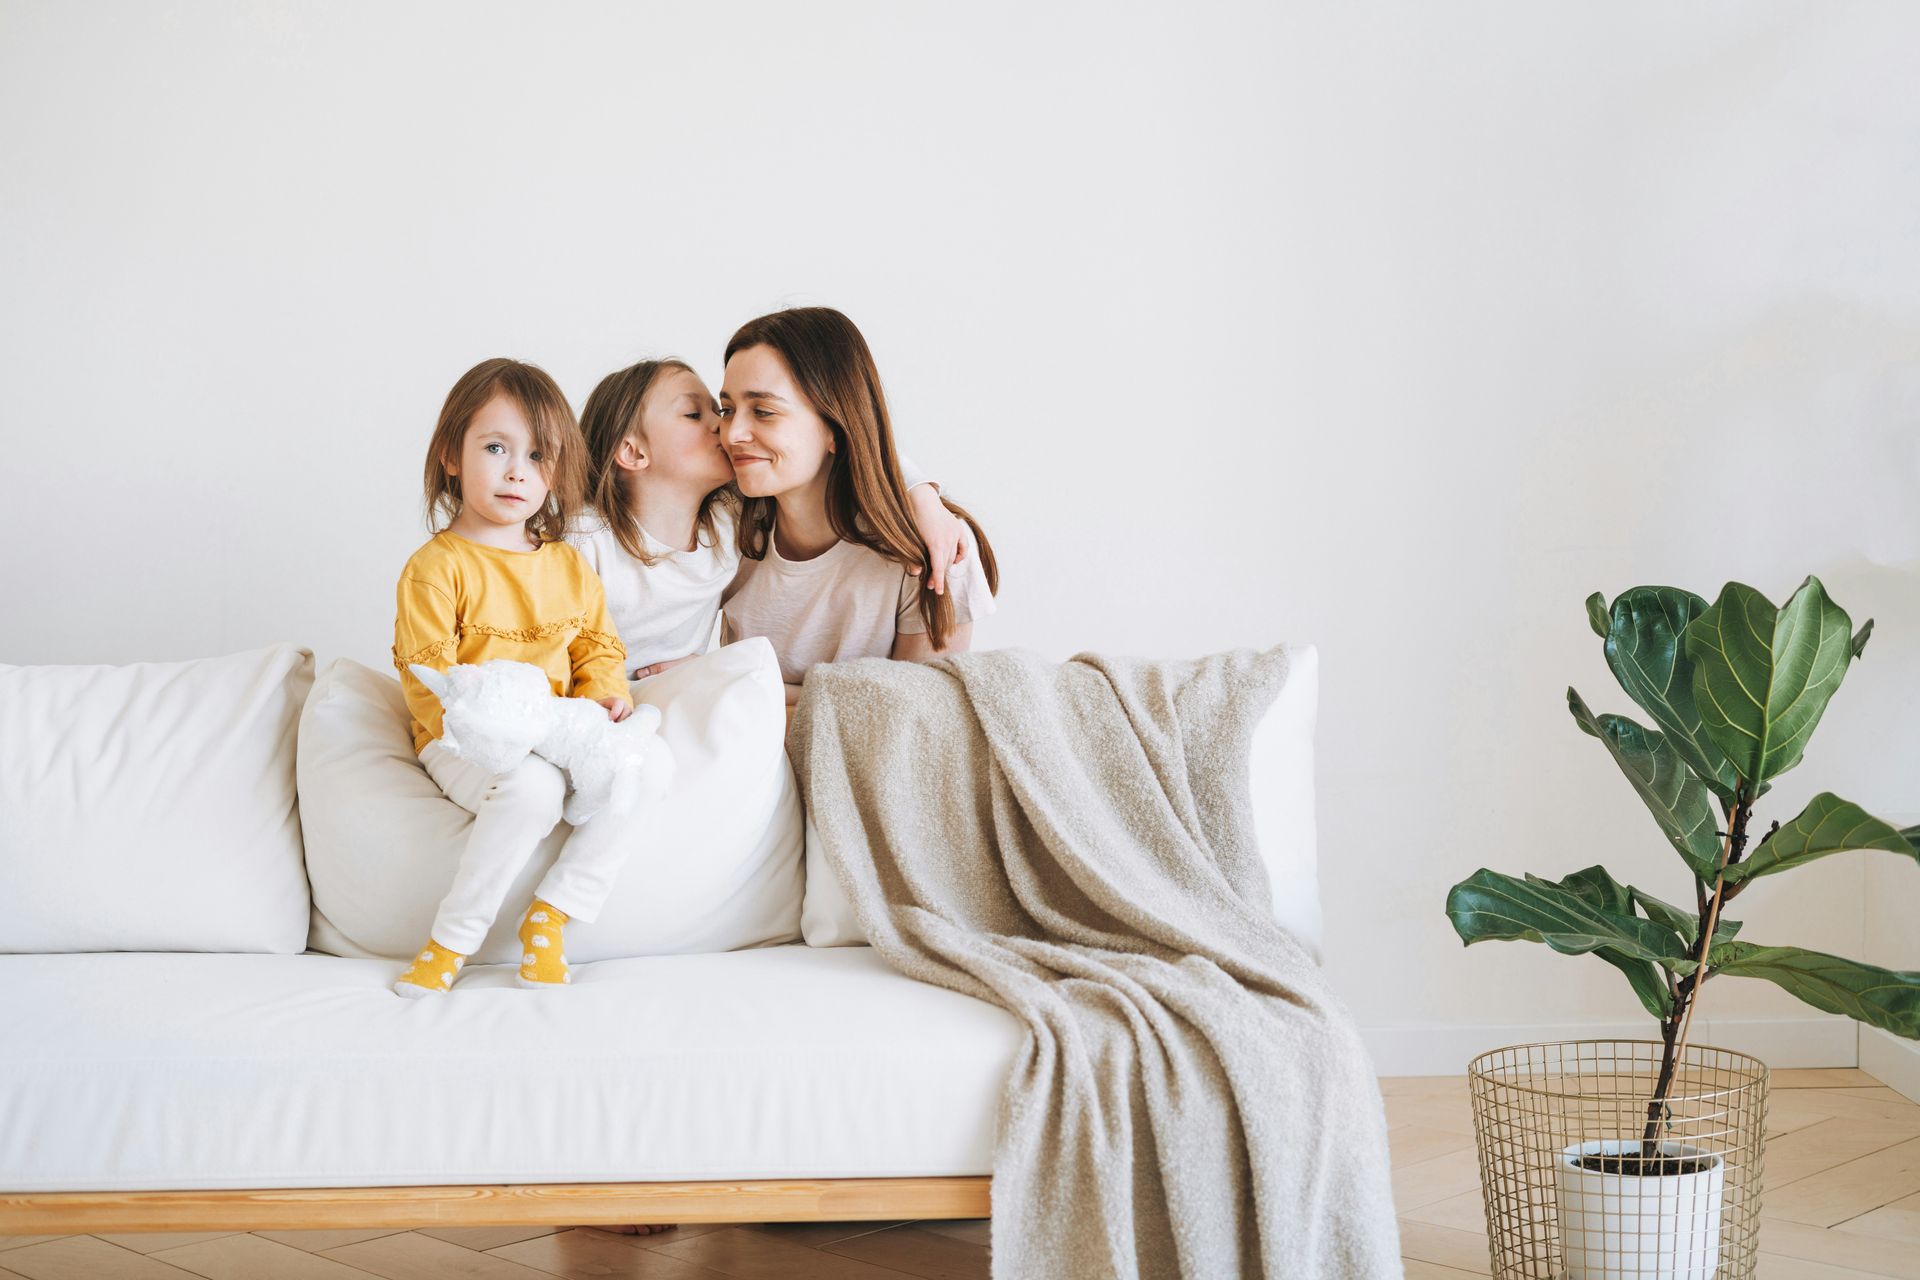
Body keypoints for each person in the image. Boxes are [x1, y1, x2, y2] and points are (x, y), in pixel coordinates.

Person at [389, 358, 639, 997]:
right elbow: (428, 678)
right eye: (495, 447)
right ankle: (452, 941)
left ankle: (553, 912)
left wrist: (604, 696)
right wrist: (504, 733)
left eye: (537, 456)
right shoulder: (437, 566)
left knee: (641, 768)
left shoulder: (569, 566)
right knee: (532, 790)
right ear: (451, 453)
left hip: (557, 731)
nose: (515, 471)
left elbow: (597, 647)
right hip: (466, 743)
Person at [566, 355, 965, 681]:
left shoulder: (724, 523)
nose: (725, 428)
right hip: (584, 701)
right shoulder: (583, 541)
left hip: (673, 702)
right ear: (634, 453)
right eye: (693, 414)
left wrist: (922, 495)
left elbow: (852, 438)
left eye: (717, 410)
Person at [719, 307, 997, 699]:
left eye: (763, 411)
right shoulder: (721, 524)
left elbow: (917, 720)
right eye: (727, 409)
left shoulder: (934, 552)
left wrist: (733, 683)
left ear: (835, 427)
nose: (732, 434)